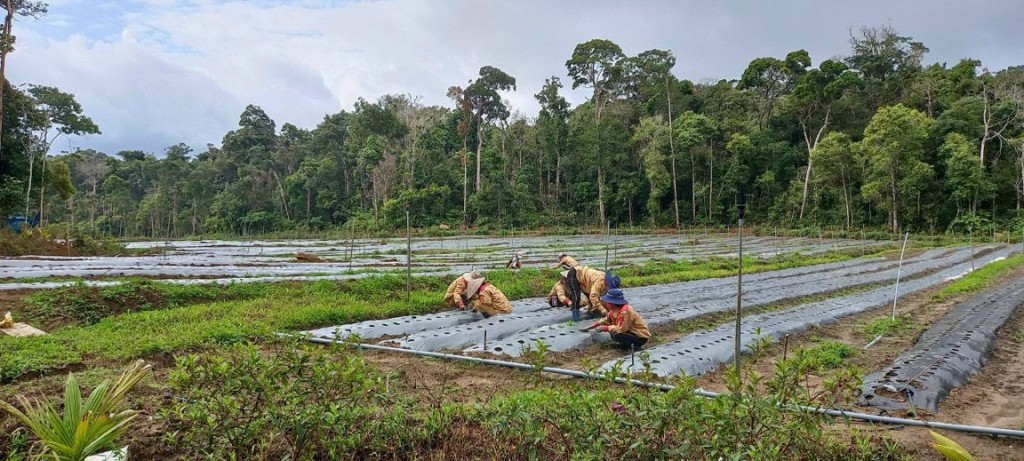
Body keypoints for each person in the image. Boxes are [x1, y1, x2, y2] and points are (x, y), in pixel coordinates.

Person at [580, 288, 651, 351]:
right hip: (631, 333)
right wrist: (591, 327)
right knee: (613, 332)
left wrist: (605, 328)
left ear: (614, 302)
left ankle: (634, 347)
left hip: (640, 337)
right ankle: (625, 345)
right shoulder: (614, 309)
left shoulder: (625, 311)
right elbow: (605, 319)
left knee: (617, 335)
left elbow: (621, 329)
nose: (607, 304)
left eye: (609, 302)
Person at [444, 271, 512, 318]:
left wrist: (477, 304)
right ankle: (458, 306)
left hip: (502, 312)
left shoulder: (483, 291)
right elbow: (456, 293)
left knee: (478, 302)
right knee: (474, 299)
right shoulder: (488, 286)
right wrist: (461, 304)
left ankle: (488, 318)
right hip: (451, 297)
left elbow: (486, 303)